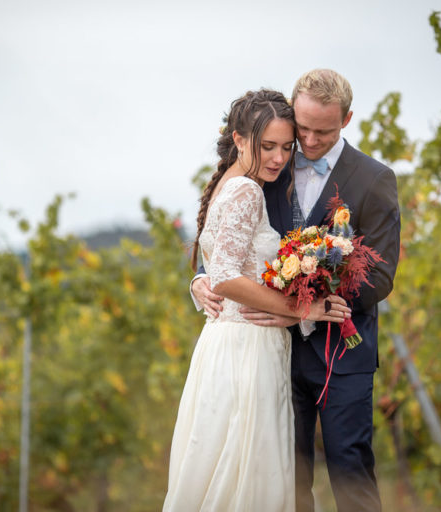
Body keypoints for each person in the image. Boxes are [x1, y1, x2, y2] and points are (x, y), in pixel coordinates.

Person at [192, 70, 400, 511]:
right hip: (274, 354)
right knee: (284, 477)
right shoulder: (270, 164)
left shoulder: (374, 179)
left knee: (350, 470)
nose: (307, 140)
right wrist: (200, 276)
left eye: (322, 131)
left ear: (346, 120)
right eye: (301, 128)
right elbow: (232, 236)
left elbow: (380, 276)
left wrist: (305, 303)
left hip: (342, 355)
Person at [164, 89, 351, 512]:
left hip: (226, 345)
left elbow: (221, 267)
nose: (279, 158)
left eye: (286, 147)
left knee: (227, 472)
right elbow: (226, 277)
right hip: (248, 349)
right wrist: (303, 309)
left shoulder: (227, 184)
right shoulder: (247, 191)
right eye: (268, 146)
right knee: (247, 479)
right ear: (239, 139)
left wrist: (201, 280)